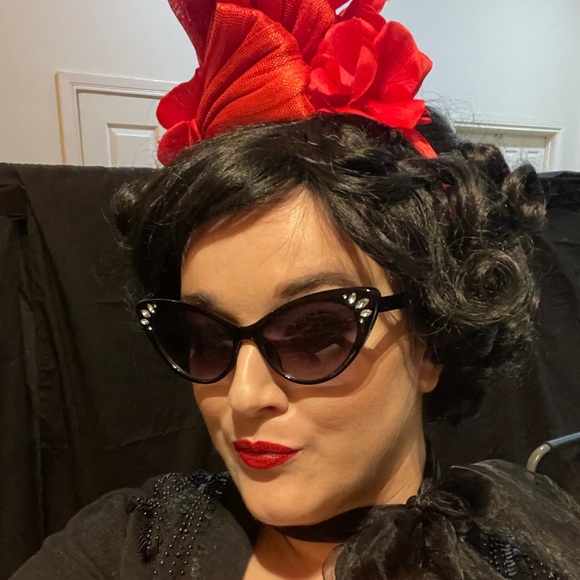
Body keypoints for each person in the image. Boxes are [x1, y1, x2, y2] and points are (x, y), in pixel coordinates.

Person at [12, 0, 580, 578]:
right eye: (206, 338)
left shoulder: (524, 554)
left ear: (430, 342)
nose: (243, 397)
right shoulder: (129, 546)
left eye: (314, 334)